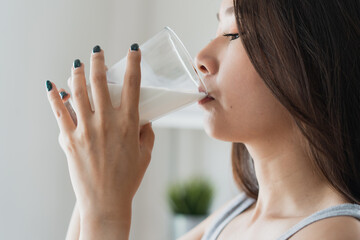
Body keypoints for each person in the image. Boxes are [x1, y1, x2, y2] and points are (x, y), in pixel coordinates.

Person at [45, 0, 360, 239]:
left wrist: (107, 212)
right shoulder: (236, 217)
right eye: (217, 31)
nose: (201, 58)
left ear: (313, 59)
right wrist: (95, 179)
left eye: (234, 34)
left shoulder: (334, 232)